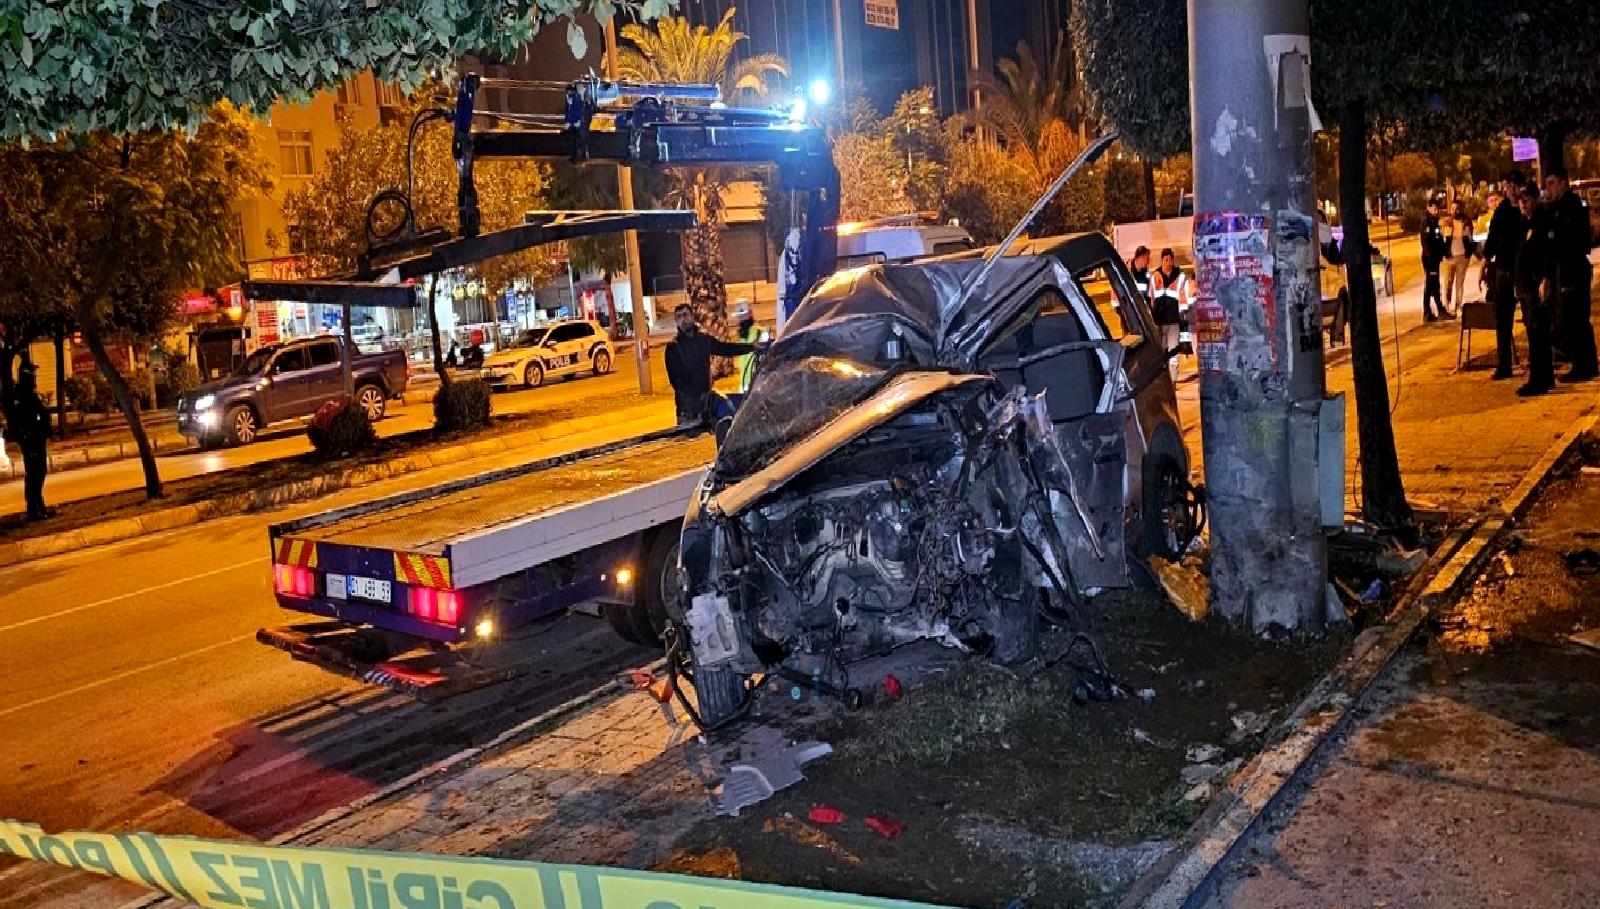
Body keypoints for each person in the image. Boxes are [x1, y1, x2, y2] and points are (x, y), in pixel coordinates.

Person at [664, 304, 758, 426]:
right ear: (676, 321)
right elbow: (677, 382)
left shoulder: (703, 340)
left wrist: (752, 347)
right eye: (679, 317)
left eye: (686, 315)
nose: (683, 319)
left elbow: (725, 348)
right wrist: (697, 396)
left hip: (707, 406)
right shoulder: (673, 347)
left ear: (692, 317)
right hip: (688, 410)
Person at [1545, 170, 1597, 382]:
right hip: (1568, 267)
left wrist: (1556, 236)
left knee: (1575, 319)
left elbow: (1574, 239)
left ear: (1563, 183)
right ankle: (1586, 363)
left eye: (1551, 183)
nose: (1548, 189)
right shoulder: (1560, 207)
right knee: (1574, 319)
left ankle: (1583, 365)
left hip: (1573, 268)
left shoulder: (1571, 207)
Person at [1480, 174, 1526, 380]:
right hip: (1504, 270)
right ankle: (1504, 363)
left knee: (1532, 317)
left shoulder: (1527, 209)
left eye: (1517, 187)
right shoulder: (1502, 212)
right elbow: (1492, 240)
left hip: (1525, 271)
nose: (1513, 190)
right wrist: (1485, 263)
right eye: (1510, 186)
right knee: (1503, 319)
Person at [1515, 181, 1556, 397]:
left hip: (1536, 284)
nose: (1523, 204)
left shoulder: (1542, 221)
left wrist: (1546, 279)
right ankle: (1545, 376)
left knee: (1537, 334)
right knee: (1535, 332)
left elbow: (1548, 254)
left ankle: (1538, 379)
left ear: (1535, 199)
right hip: (1525, 285)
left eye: (1527, 200)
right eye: (1521, 201)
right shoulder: (1525, 222)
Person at [5, 362, 55, 520]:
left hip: (38, 439)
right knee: (34, 473)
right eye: (32, 373)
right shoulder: (21, 395)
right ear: (26, 375)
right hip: (31, 441)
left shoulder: (30, 393)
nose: (35, 376)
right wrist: (28, 439)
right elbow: (22, 420)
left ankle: (40, 506)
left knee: (39, 472)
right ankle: (34, 510)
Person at [1150, 248, 1189, 378]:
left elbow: (1184, 297)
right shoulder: (1155, 276)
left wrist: (1183, 318)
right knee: (1160, 351)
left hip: (1173, 319)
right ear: (1161, 261)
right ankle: (1162, 379)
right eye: (1166, 260)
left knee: (1173, 352)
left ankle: (1173, 379)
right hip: (1159, 320)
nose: (1168, 262)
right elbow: (1151, 298)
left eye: (1170, 260)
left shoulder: (1180, 276)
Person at [1443, 199, 1480, 313]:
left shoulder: (1466, 222)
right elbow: (1443, 239)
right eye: (1453, 209)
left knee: (1459, 283)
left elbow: (1471, 238)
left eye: (1457, 208)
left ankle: (1458, 306)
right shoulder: (1447, 222)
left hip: (1463, 257)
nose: (1455, 211)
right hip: (1450, 257)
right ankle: (1447, 305)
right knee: (1448, 282)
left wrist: (1472, 252)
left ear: (1461, 209)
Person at [1420, 197, 1451, 321]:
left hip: (1434, 257)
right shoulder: (1427, 222)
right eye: (1433, 208)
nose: (1435, 210)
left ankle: (1427, 313)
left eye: (1437, 208)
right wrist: (1434, 254)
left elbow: (1438, 240)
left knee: (1429, 284)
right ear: (1428, 208)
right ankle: (1440, 310)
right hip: (1430, 258)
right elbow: (1428, 242)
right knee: (1433, 283)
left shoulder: (1434, 222)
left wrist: (1444, 250)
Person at [731, 299, 767, 393]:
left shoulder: (760, 333)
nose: (742, 319)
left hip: (758, 385)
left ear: (750, 314)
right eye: (740, 317)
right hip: (744, 386)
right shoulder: (741, 337)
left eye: (744, 316)